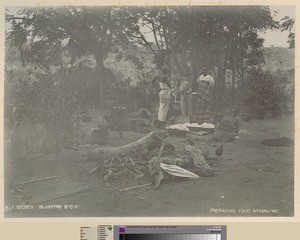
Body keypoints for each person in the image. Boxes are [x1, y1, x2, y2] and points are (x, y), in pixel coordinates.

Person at [157, 64, 171, 128]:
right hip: (165, 92)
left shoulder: (160, 76)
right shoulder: (165, 76)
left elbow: (152, 81)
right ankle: (163, 124)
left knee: (161, 107)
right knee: (165, 108)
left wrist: (157, 88)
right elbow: (169, 85)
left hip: (161, 91)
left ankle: (159, 123)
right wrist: (170, 85)